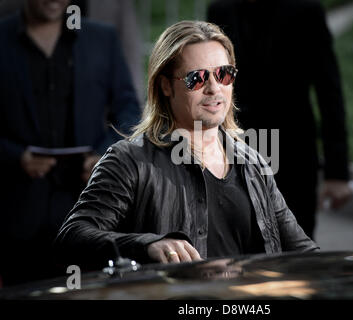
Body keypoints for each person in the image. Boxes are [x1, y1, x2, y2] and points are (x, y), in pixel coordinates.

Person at [55, 20, 319, 270]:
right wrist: (149, 244)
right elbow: (73, 236)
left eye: (224, 74)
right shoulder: (129, 160)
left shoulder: (253, 163)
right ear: (165, 85)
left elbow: (302, 252)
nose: (214, 89)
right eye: (198, 78)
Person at [0, 0, 140, 285]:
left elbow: (129, 112)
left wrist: (104, 154)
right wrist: (16, 156)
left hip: (89, 209)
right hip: (16, 213)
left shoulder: (102, 39)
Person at [207, 0, 353, 239]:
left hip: (293, 157)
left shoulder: (307, 10)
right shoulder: (221, 9)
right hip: (234, 153)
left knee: (294, 248)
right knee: (235, 249)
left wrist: (337, 171)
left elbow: (329, 91)